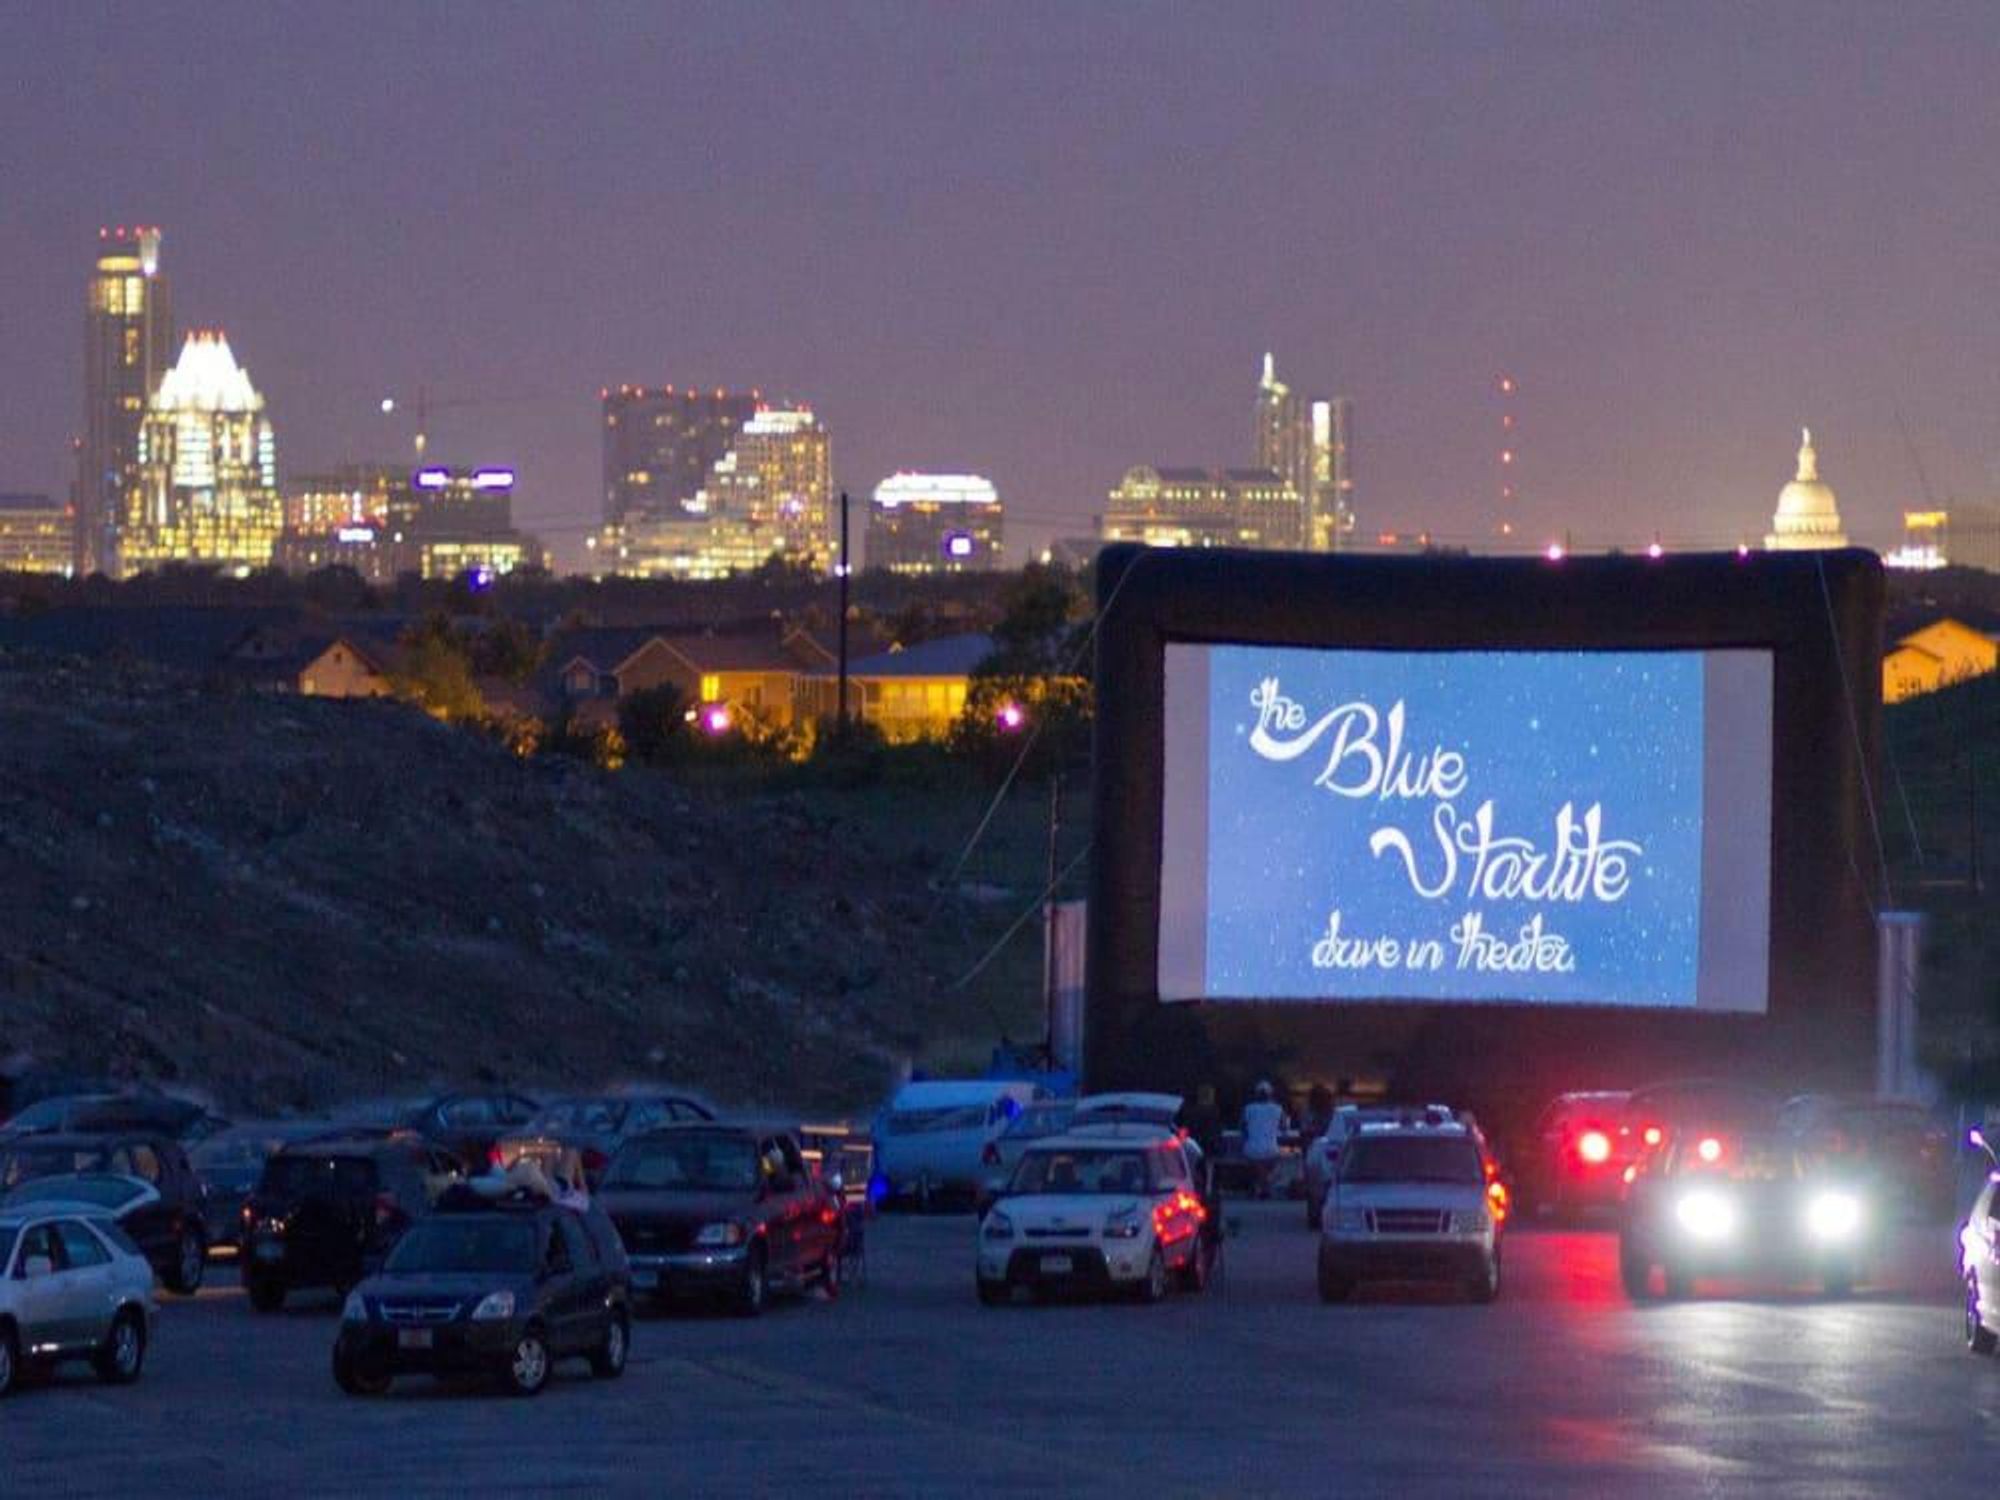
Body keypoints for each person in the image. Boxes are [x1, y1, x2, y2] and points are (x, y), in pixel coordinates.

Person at [1242, 1081, 1287, 1200]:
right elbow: (1284, 1128)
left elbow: (1243, 1128)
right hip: (1272, 1150)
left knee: (1256, 1162)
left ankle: (1258, 1187)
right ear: (1270, 1094)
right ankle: (1265, 1187)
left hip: (1251, 1150)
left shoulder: (1248, 1108)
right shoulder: (1278, 1109)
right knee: (1268, 1163)